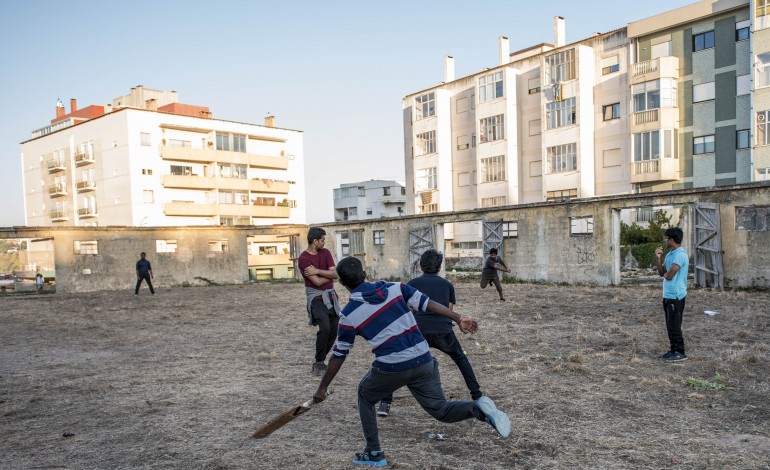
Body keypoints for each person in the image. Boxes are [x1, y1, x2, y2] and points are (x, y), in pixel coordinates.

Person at [314, 256, 510, 467]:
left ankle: (373, 452)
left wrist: (322, 387)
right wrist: (457, 317)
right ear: (364, 274)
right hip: (423, 360)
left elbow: (339, 355)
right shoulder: (397, 288)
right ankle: (479, 409)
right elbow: (428, 304)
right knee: (440, 409)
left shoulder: (348, 315)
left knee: (365, 394)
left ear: (341, 283)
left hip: (391, 367)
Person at [376, 249, 483, 418]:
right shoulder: (447, 285)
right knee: (461, 359)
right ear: (439, 267)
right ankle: (478, 396)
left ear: (420, 265)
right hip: (443, 331)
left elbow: (407, 308)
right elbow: (448, 310)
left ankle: (385, 402)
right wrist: (456, 322)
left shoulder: (412, 283)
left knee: (397, 360)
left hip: (419, 332)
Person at [298, 227, 340, 376]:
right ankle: (319, 362)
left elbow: (335, 273)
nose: (324, 242)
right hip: (316, 298)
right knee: (325, 328)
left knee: (335, 330)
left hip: (330, 297)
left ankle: (320, 361)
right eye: (322, 240)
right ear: (315, 241)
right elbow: (316, 282)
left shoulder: (326, 253)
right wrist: (328, 275)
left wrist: (318, 271)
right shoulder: (303, 259)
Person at [655, 227, 689, 362]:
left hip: (676, 295)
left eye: (666, 238)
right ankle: (673, 350)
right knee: (670, 324)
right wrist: (658, 258)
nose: (665, 240)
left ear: (672, 239)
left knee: (675, 325)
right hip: (668, 295)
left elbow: (669, 275)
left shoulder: (680, 255)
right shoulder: (670, 254)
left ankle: (680, 352)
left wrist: (665, 274)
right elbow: (662, 272)